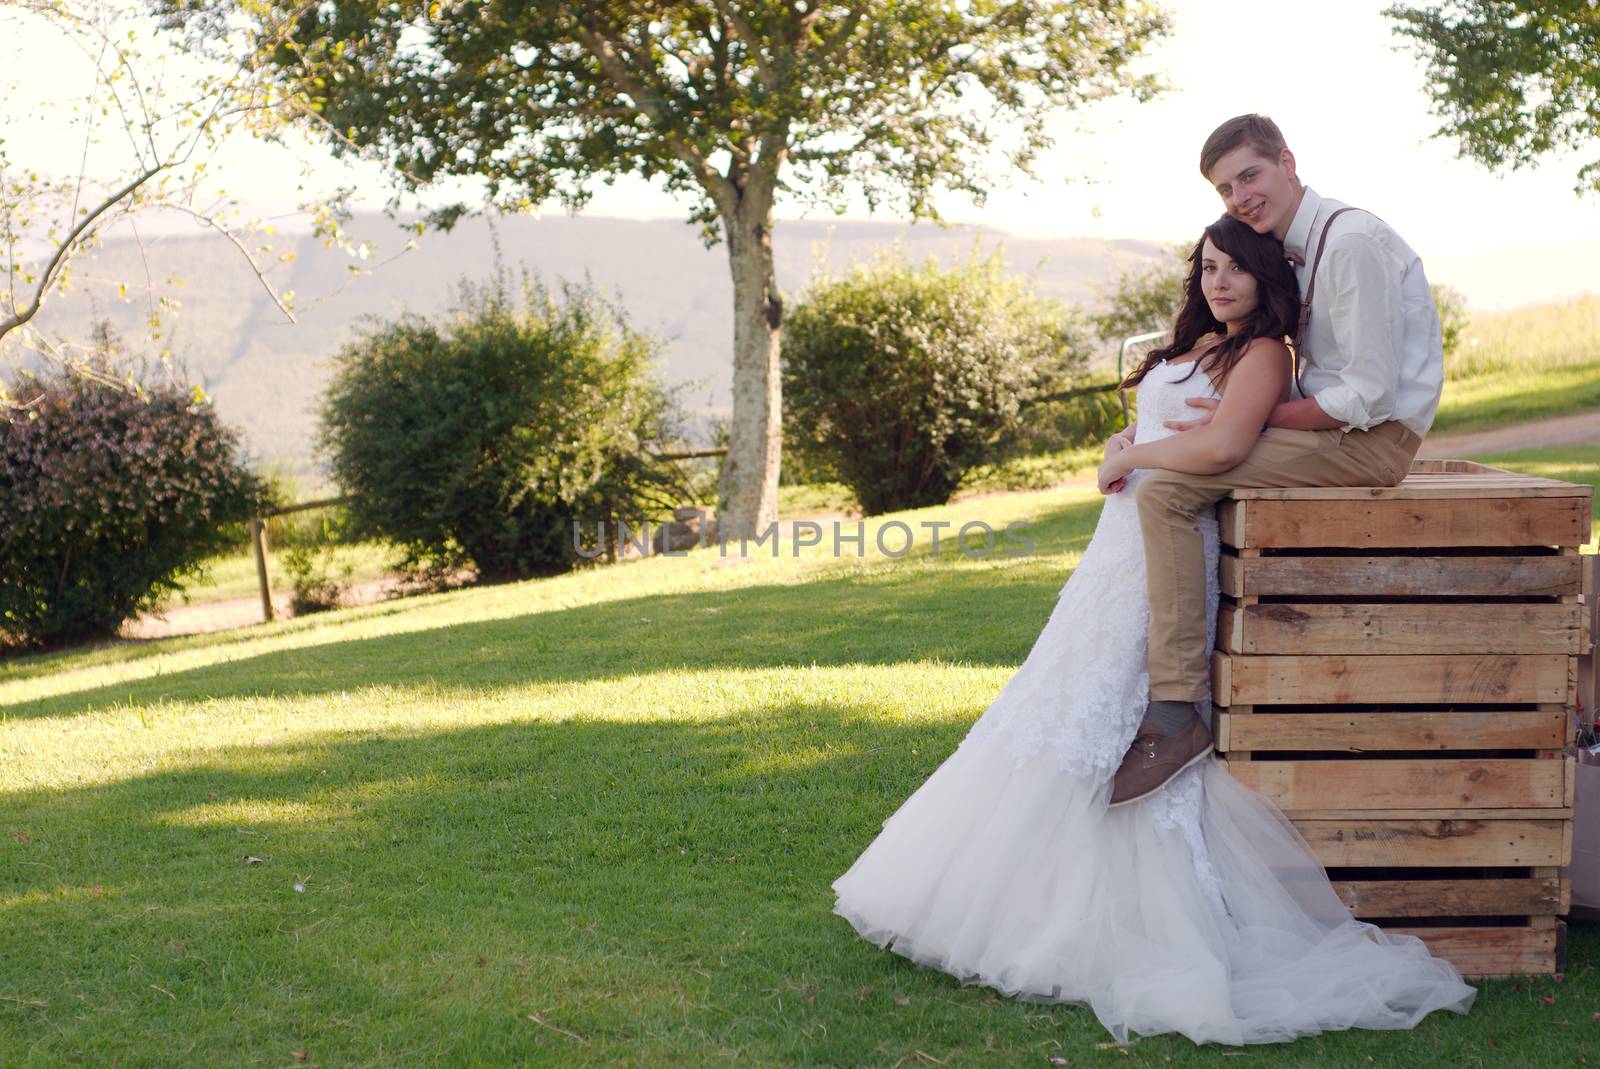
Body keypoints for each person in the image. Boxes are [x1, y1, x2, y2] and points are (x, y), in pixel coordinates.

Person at [830, 213, 1475, 1046]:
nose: (1219, 282)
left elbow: (1218, 449)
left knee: (1119, 710)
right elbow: (1171, 429)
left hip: (1162, 553)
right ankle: (1015, 897)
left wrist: (1133, 460)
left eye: (1236, 268)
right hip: (1115, 557)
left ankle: (1152, 862)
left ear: (1264, 279)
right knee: (1063, 707)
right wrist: (1124, 437)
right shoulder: (1193, 345)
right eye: (1207, 267)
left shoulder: (1265, 352)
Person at [1105, 114, 1440, 805]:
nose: (1240, 196)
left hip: (1369, 444)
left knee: (1166, 488)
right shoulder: (1298, 245)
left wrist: (1252, 419)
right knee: (1186, 460)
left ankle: (1174, 714)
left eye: (1249, 175)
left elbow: (1369, 394)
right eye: (1226, 188)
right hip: (1334, 434)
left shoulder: (1347, 243)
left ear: (1288, 161)